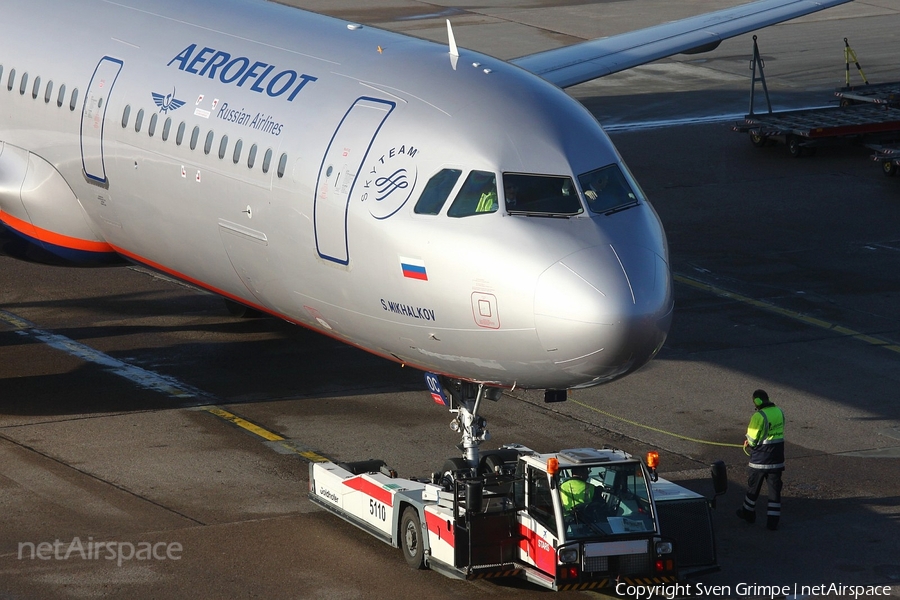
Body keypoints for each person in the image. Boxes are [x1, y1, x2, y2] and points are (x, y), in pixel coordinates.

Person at [736, 389, 785, 530]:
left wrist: (748, 442)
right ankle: (772, 523)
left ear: (757, 402)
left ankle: (748, 513)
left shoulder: (758, 416)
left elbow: (752, 439)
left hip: (760, 460)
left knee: (753, 489)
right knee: (774, 492)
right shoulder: (779, 412)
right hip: (777, 459)